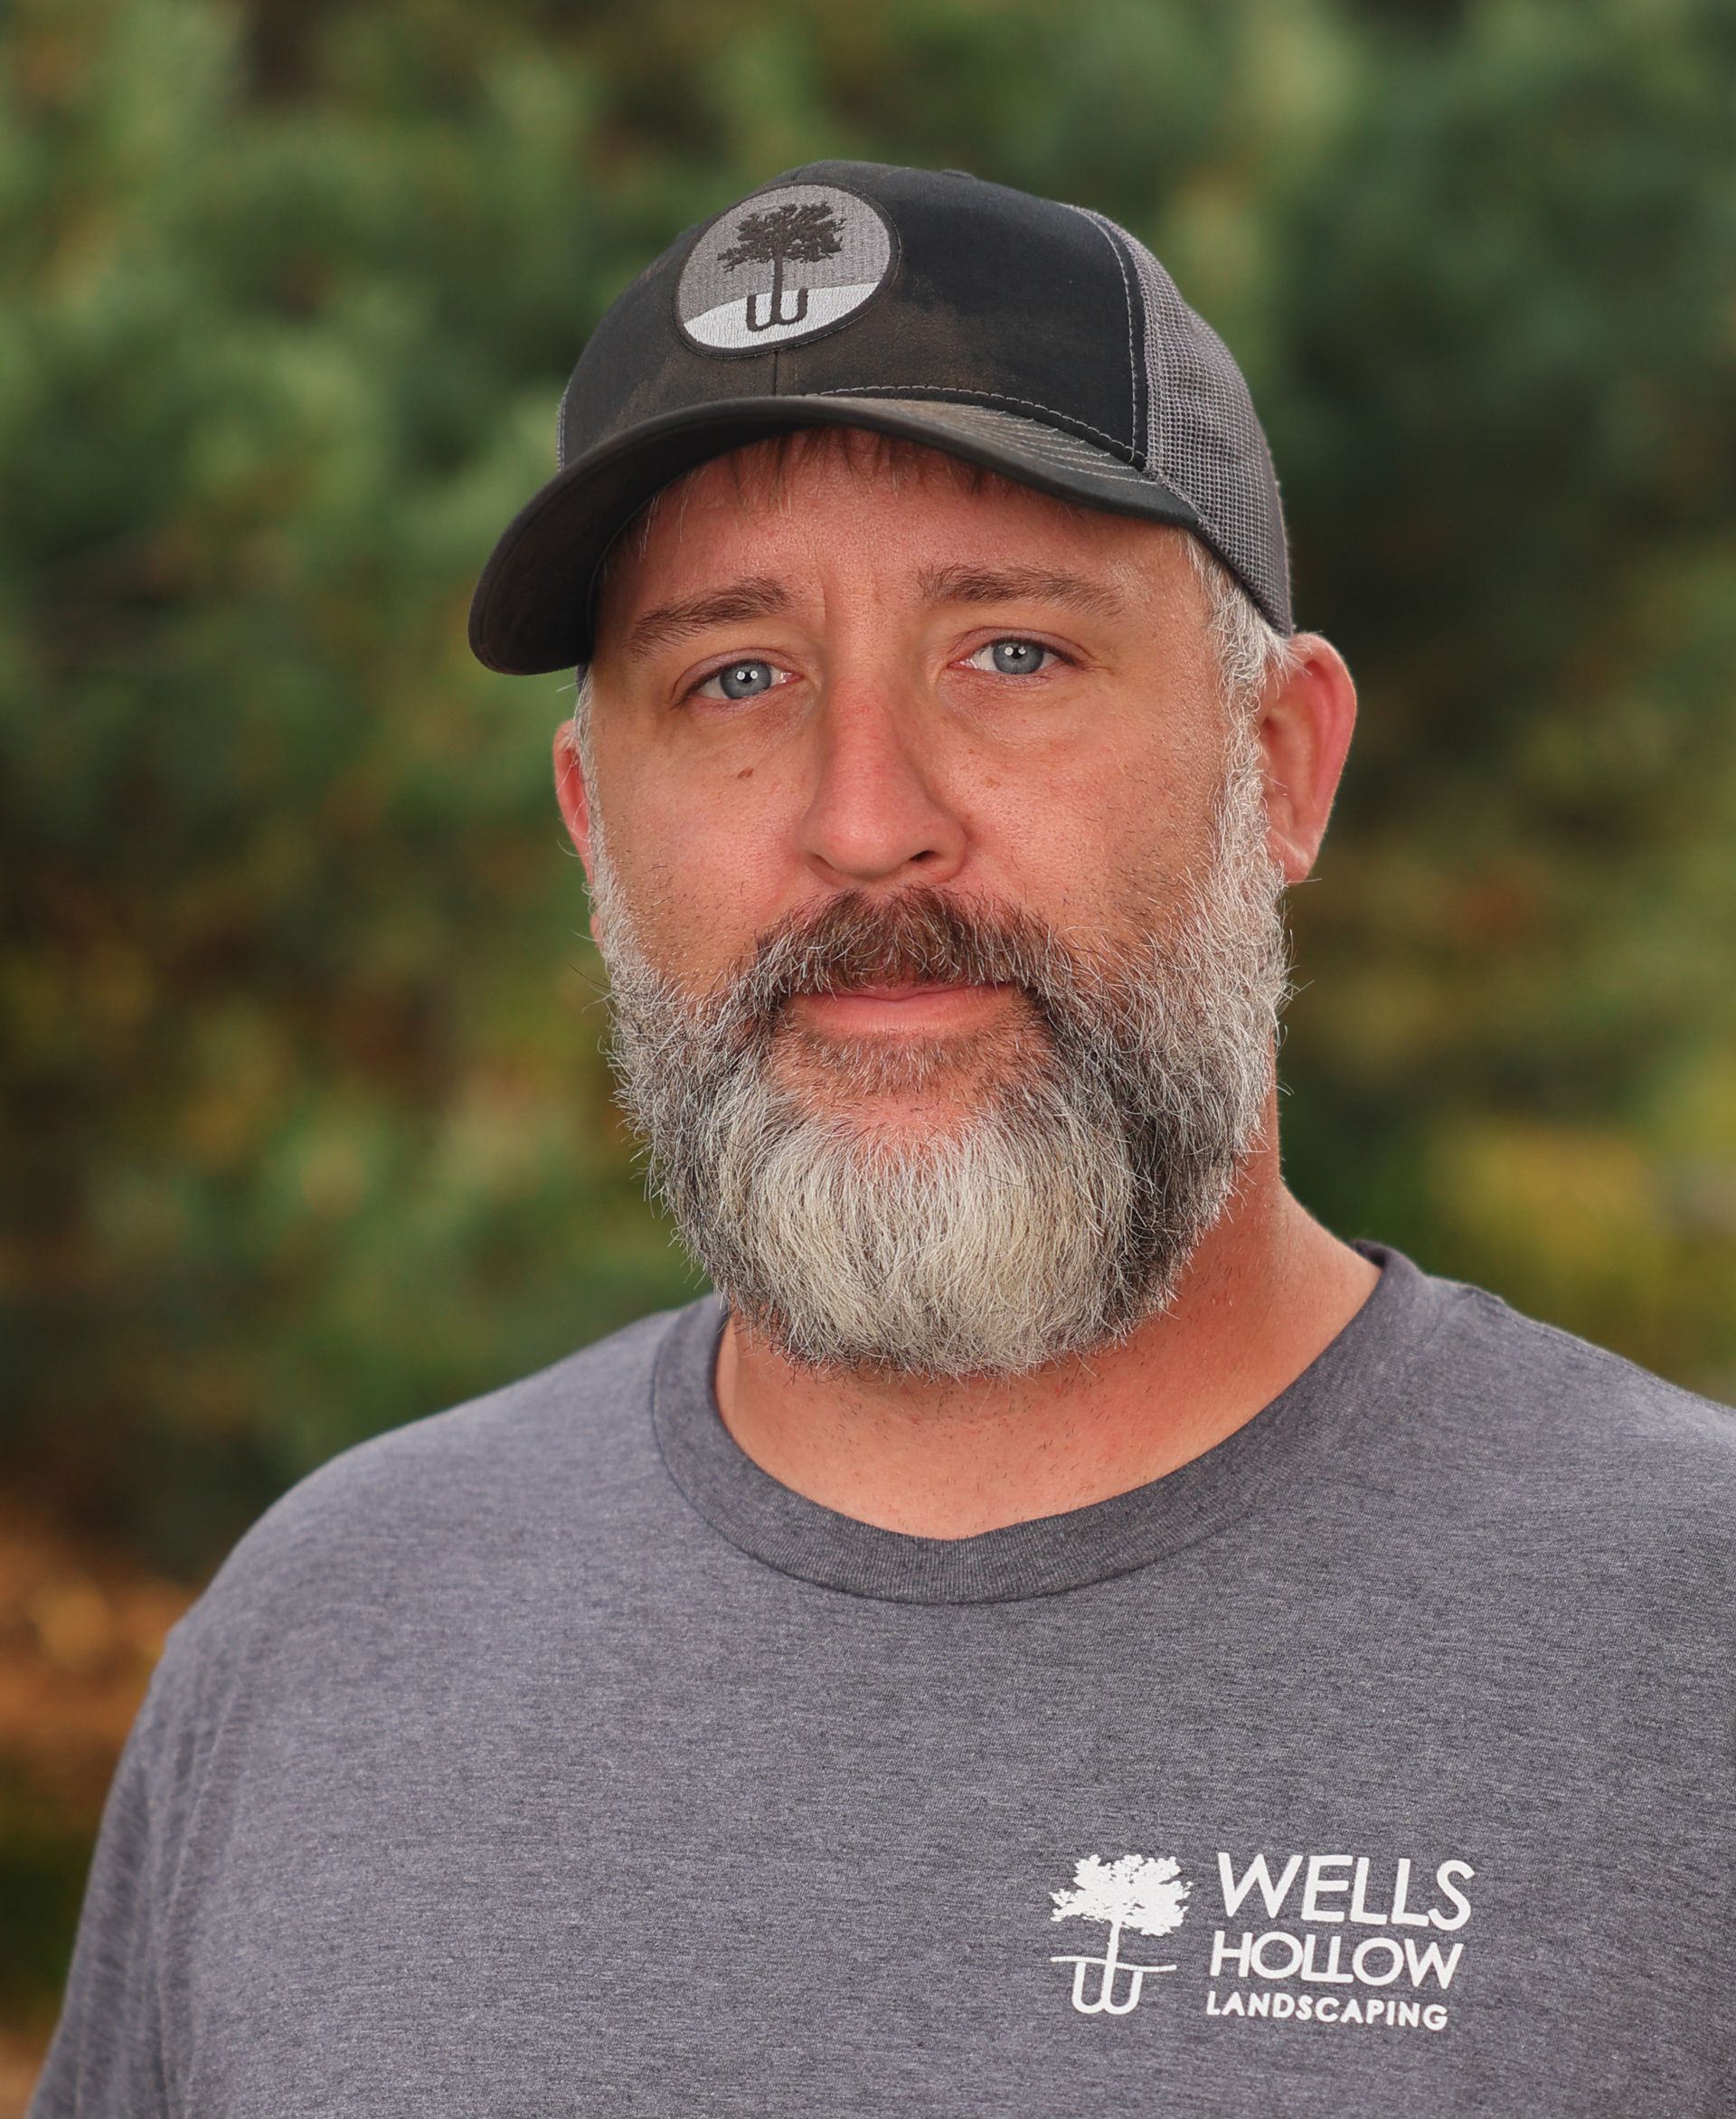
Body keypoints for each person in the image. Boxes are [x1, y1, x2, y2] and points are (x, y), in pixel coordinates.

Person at [30, 161, 1732, 2117]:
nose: (862, 819)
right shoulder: (325, 1642)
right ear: (596, 826)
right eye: (734, 677)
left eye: (1011, 651)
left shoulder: (1687, 1644)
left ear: (1281, 764)